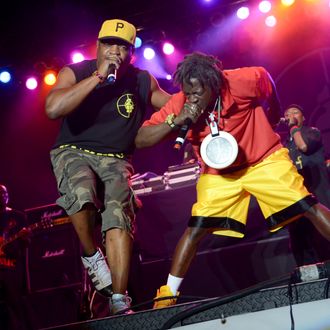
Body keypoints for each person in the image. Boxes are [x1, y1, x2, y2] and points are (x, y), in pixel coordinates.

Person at [135, 52, 330, 308]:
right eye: (187, 92)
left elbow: (266, 79)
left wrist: (273, 114)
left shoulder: (240, 80)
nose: (192, 98)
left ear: (214, 84)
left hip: (263, 159)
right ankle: (167, 296)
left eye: (198, 93)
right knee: (196, 228)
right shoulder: (180, 103)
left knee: (307, 206)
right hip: (219, 174)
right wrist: (174, 120)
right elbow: (140, 139)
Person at [45, 19, 170, 315]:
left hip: (116, 158)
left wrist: (198, 100)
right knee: (82, 190)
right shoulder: (75, 72)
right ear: (98, 46)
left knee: (119, 215)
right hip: (73, 150)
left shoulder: (142, 80)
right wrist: (98, 78)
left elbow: (170, 105)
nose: (115, 51)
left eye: (123, 46)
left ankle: (118, 298)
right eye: (109, 44)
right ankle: (91, 256)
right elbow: (52, 108)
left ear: (132, 53)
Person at [283, 104, 330, 266]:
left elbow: (303, 146)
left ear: (303, 117)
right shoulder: (284, 144)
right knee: (301, 242)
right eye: (287, 113)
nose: (290, 115)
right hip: (297, 198)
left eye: (295, 112)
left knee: (323, 237)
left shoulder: (312, 132)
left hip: (318, 194)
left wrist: (293, 127)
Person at [0, 184, 32, 329]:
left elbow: (26, 243)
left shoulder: (17, 216)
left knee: (15, 304)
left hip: (11, 267)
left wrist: (24, 238)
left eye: (4, 193)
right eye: (0, 194)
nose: (3, 196)